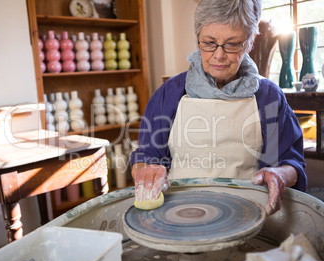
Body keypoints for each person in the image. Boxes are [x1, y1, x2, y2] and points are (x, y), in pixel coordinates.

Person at [130, 0, 307, 215]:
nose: (219, 55)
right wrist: (146, 172)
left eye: (232, 44)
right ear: (198, 40)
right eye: (209, 42)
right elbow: (146, 157)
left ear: (250, 42)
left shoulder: (267, 97)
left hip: (247, 213)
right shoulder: (170, 94)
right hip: (178, 215)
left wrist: (280, 174)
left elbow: (290, 162)